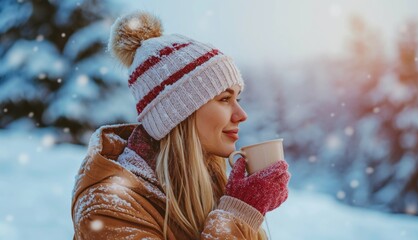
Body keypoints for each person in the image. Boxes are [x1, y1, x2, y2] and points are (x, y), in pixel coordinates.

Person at [71, 11, 290, 240]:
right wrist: (239, 215)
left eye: (238, 99)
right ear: (178, 114)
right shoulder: (109, 208)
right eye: (225, 99)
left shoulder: (208, 184)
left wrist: (249, 208)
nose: (241, 115)